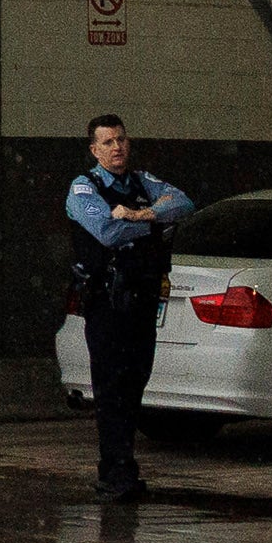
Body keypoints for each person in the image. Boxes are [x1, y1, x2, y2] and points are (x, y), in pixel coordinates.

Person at [63, 116, 190, 500]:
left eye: (121, 140)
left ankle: (124, 468)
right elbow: (107, 231)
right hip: (106, 302)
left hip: (141, 299)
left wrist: (139, 215)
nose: (116, 148)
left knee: (135, 382)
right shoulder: (85, 187)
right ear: (94, 150)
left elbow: (183, 203)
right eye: (107, 142)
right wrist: (155, 223)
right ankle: (114, 472)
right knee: (111, 388)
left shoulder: (141, 183)